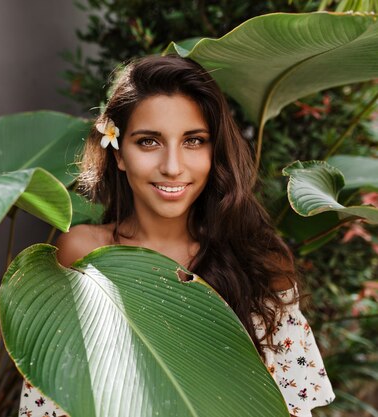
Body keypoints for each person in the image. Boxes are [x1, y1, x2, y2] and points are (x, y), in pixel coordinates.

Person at [18, 55, 335, 417]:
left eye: (194, 141)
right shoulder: (82, 254)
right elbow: (54, 401)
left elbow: (289, 405)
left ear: (214, 151)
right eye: (149, 142)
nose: (172, 167)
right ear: (119, 153)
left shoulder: (258, 262)